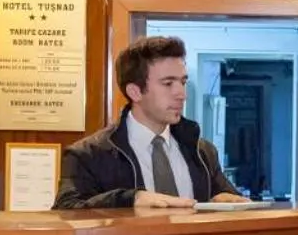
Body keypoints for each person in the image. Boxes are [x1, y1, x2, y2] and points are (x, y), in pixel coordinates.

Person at [54, 35, 244, 208]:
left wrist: (228, 203)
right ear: (135, 92)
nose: (182, 94)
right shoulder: (88, 155)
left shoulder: (202, 152)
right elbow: (66, 211)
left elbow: (229, 201)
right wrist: (130, 199)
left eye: (183, 82)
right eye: (168, 84)